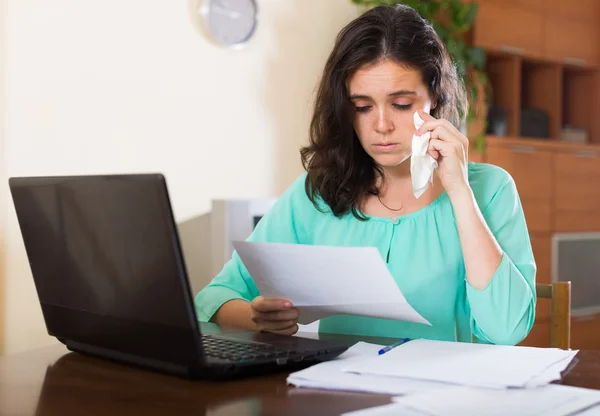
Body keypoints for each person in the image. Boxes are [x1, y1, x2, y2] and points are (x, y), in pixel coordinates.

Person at [194, 4, 536, 345]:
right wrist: (257, 317)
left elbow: (507, 329)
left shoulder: (489, 189)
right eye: (362, 107)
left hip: (447, 395)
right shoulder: (318, 193)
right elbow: (214, 298)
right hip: (339, 394)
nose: (382, 126)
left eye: (401, 104)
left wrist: (460, 192)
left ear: (434, 96)